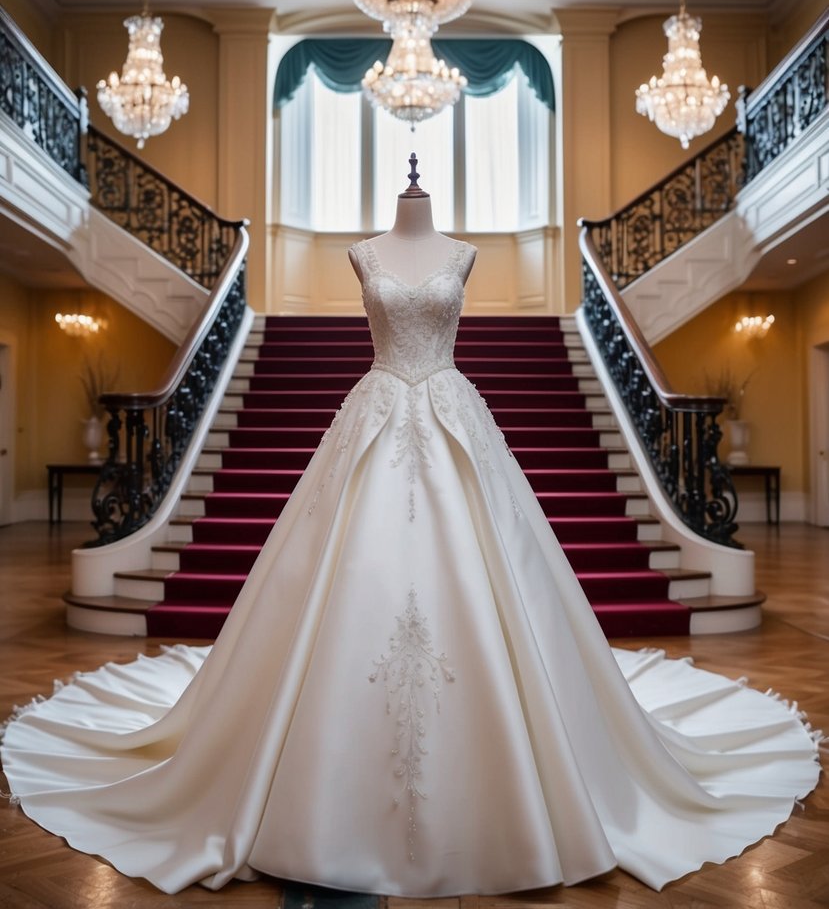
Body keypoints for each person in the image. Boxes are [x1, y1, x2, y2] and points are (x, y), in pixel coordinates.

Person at [1, 159, 821, 896]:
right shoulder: (362, 251)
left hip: (454, 417)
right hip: (375, 413)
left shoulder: (462, 252)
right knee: (340, 580)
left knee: (492, 575)